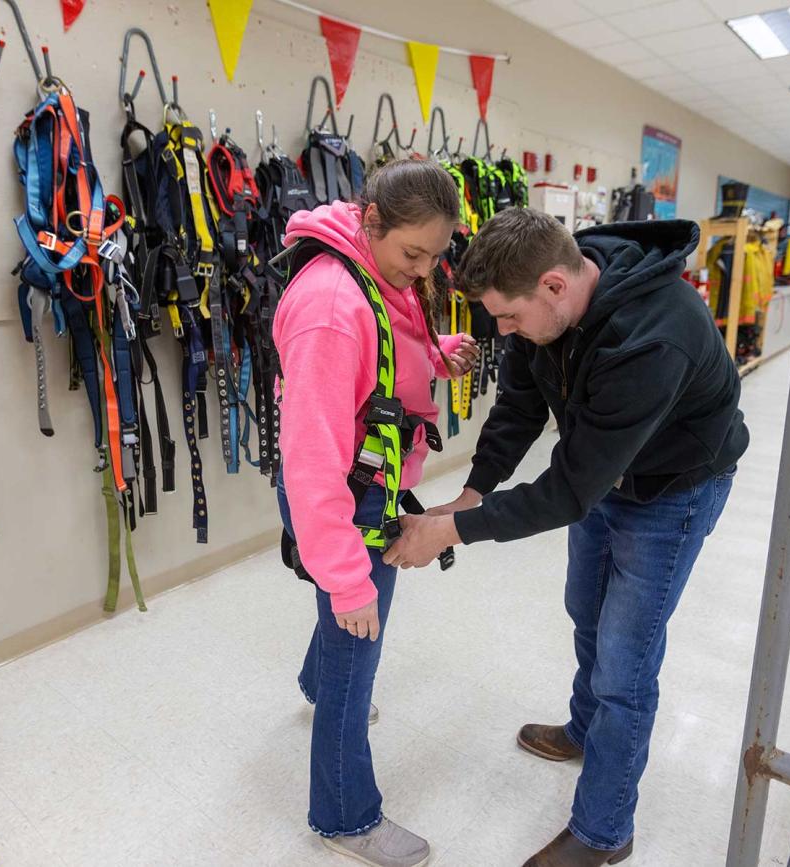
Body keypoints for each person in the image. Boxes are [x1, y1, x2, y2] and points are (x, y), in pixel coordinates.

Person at [384, 208, 748, 867]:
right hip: (607, 473)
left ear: (554, 285)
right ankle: (585, 728)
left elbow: (568, 488)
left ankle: (605, 831)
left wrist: (450, 531)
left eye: (509, 317)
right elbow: (521, 404)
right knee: (587, 609)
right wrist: (475, 489)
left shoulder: (652, 338)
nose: (502, 331)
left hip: (674, 488)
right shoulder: (544, 294)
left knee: (625, 658)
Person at [274, 158, 479, 867]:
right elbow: (309, 461)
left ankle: (314, 679)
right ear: (369, 222)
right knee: (357, 647)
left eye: (434, 255)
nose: (422, 272)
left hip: (368, 483)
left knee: (344, 640)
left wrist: (439, 356)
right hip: (341, 497)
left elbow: (386, 349)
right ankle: (344, 814)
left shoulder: (374, 274)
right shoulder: (331, 308)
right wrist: (346, 578)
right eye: (410, 253)